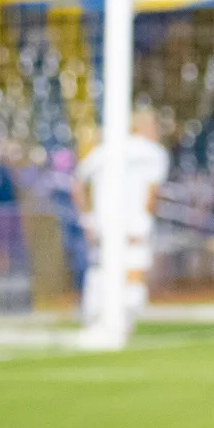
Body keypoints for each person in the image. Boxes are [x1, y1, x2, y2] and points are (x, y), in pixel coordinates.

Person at [76, 107, 170, 323]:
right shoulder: (154, 152)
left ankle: (94, 314)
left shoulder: (106, 149)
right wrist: (146, 219)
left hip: (102, 221)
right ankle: (125, 318)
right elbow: (153, 191)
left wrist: (87, 217)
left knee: (102, 266)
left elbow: (78, 183)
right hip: (134, 221)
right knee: (133, 267)